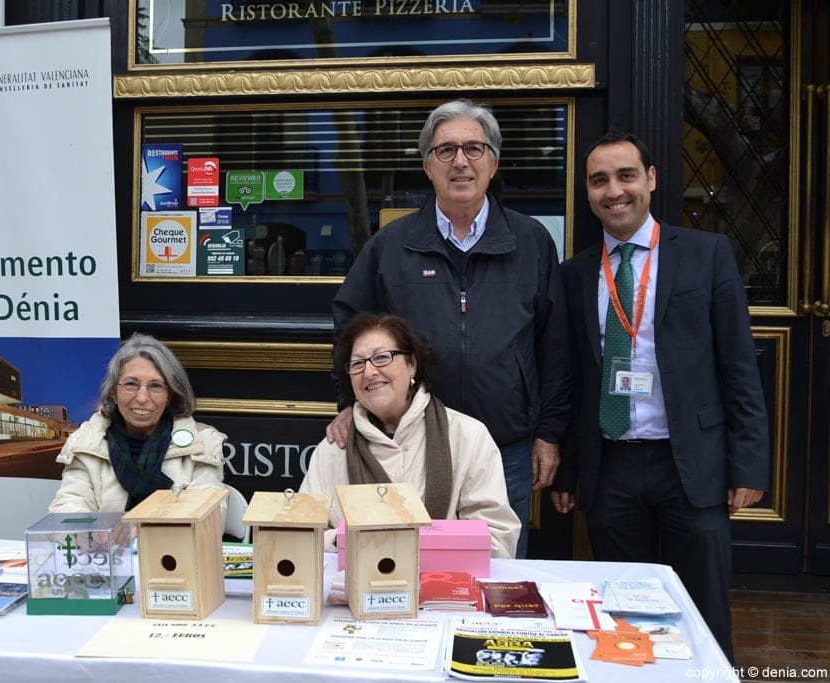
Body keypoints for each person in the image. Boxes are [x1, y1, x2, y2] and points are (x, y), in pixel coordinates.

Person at [551, 132, 769, 662]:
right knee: (626, 613)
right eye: (599, 180)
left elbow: (738, 366)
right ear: (587, 191)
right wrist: (568, 471)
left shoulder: (706, 255)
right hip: (612, 467)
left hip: (691, 464)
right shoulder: (575, 273)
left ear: (650, 179)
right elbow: (571, 378)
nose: (614, 191)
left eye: (626, 175)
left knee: (702, 610)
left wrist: (749, 465)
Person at [328, 99, 570, 558]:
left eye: (474, 149)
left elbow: (555, 347)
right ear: (427, 166)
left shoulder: (532, 242)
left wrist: (549, 433)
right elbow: (350, 327)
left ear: (493, 163)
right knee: (402, 569)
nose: (461, 161)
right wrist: (349, 401)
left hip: (507, 448)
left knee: (495, 574)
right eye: (446, 151)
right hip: (410, 449)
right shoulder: (392, 246)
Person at [301, 313, 521, 558]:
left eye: (382, 357)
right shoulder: (333, 449)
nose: (370, 371)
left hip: (446, 591)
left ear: (412, 364)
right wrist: (350, 539)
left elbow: (498, 540)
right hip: (357, 592)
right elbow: (303, 536)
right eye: (357, 364)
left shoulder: (468, 437)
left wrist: (414, 544)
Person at [48, 333, 227, 513]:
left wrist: (140, 528)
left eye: (155, 386)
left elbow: (209, 513)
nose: (142, 398)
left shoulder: (201, 443)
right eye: (131, 384)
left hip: (173, 542)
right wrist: (93, 532)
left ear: (170, 395)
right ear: (113, 393)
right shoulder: (86, 442)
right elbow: (68, 506)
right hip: (104, 542)